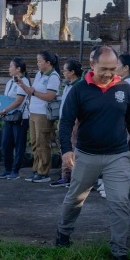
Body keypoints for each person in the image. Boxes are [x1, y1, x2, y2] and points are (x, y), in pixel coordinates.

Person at [56, 47, 130, 260]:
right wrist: (66, 150)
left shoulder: (124, 88)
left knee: (119, 202)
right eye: (103, 69)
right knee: (75, 198)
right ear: (92, 65)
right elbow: (66, 121)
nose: (108, 73)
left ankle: (120, 251)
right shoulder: (79, 90)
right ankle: (63, 234)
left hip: (118, 155)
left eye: (112, 68)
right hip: (86, 155)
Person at [15, 51, 61, 183]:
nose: (37, 63)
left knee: (43, 143)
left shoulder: (53, 76)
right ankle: (36, 169)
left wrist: (34, 92)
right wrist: (23, 85)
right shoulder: (39, 74)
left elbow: (50, 96)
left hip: (43, 113)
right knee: (35, 143)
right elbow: (31, 91)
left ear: (48, 63)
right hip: (33, 111)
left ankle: (44, 172)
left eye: (40, 61)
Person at [0, 58, 30, 180]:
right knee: (6, 143)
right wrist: (3, 110)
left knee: (19, 144)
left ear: (18, 69)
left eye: (11, 66)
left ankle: (15, 170)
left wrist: (5, 110)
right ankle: (8, 169)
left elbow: (18, 101)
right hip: (9, 116)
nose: (9, 69)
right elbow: (8, 99)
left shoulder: (23, 81)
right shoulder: (10, 82)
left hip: (20, 117)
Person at [52, 59, 83, 188]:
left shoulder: (78, 86)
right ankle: (65, 176)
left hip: (73, 122)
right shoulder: (68, 85)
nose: (63, 73)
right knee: (65, 147)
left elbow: (78, 108)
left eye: (65, 70)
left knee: (74, 149)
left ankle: (74, 178)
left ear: (72, 72)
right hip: (64, 120)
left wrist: (75, 124)